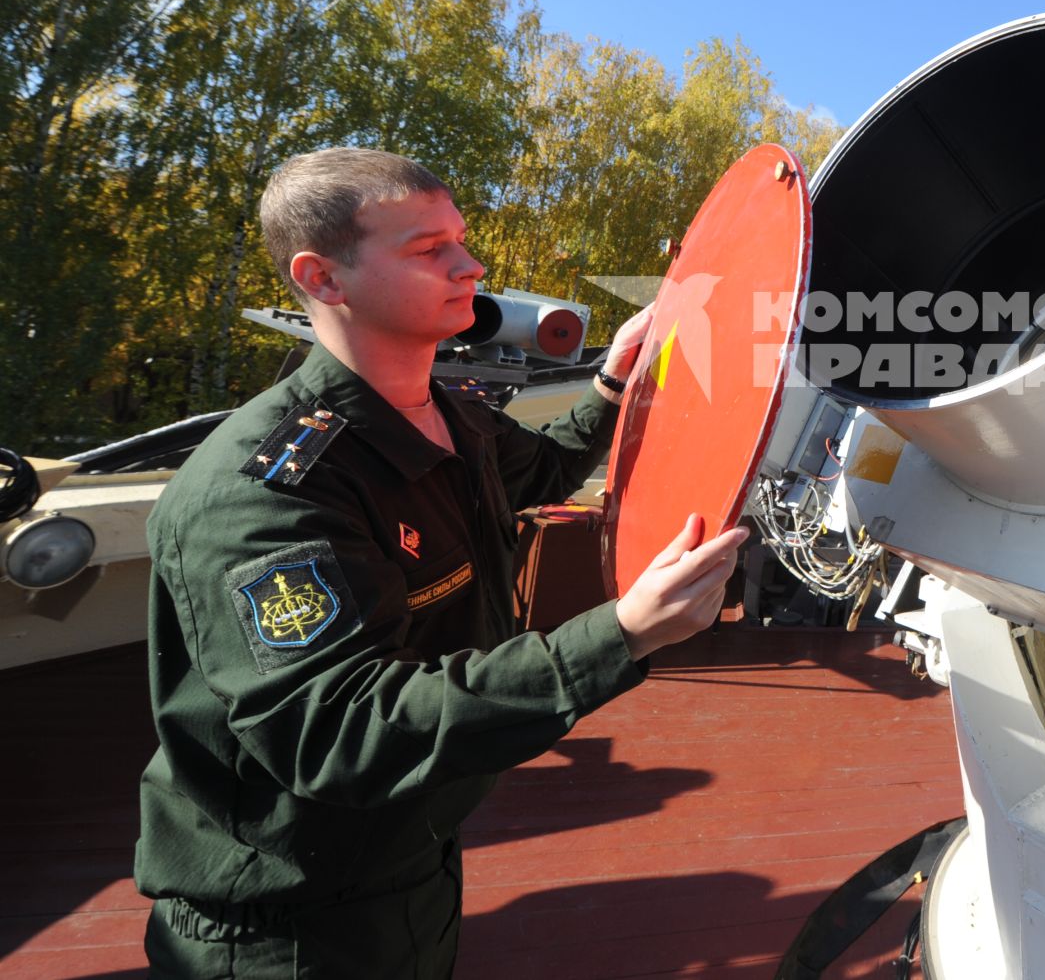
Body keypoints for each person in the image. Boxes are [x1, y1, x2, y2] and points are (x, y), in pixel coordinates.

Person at [136, 147, 748, 977]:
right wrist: (622, 633)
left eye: (461, 239)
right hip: (284, 921)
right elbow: (340, 730)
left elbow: (536, 468)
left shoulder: (449, 415)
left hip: (409, 855)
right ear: (324, 279)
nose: (472, 265)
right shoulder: (264, 492)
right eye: (430, 250)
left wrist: (611, 383)